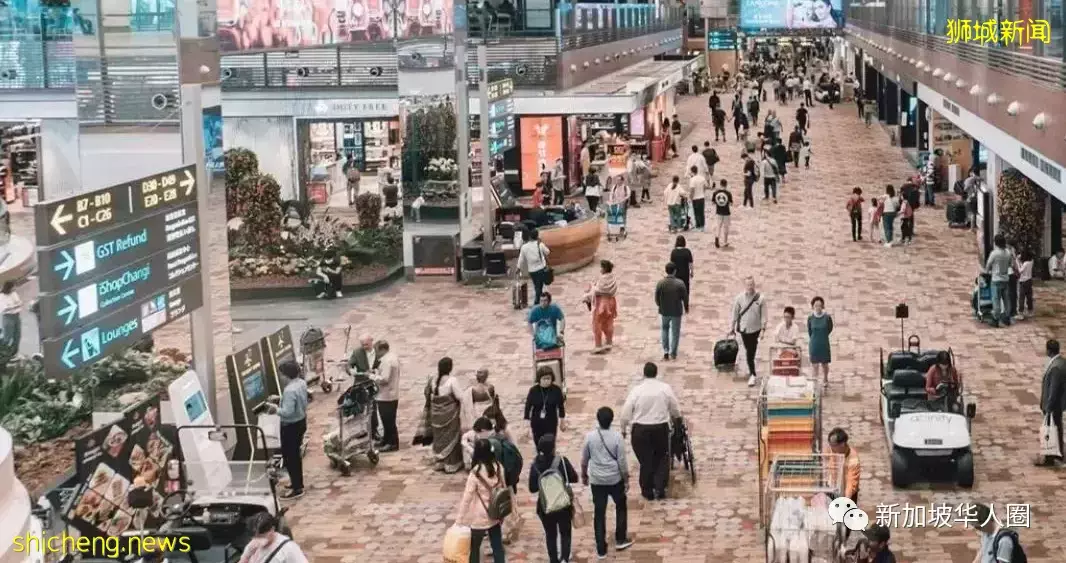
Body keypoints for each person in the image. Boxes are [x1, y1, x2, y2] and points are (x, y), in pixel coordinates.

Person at [619, 362, 681, 500]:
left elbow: (625, 412)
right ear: (656, 373)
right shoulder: (664, 388)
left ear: (644, 373)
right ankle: (660, 487)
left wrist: (623, 428)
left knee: (646, 460)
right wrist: (677, 418)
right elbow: (675, 408)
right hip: (660, 428)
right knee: (661, 457)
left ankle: (647, 490)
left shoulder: (637, 390)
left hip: (640, 430)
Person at [581, 407, 633, 559]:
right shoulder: (617, 437)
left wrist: (584, 475)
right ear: (611, 420)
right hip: (614, 478)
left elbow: (585, 459)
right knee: (621, 506)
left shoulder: (590, 437)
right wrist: (626, 478)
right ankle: (620, 538)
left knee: (599, 512)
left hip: (597, 480)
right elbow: (622, 461)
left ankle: (601, 548)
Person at [528, 434, 579, 563]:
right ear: (553, 448)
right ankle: (565, 558)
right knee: (565, 532)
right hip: (563, 504)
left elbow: (532, 488)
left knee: (550, 535)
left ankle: (553, 560)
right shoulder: (561, 461)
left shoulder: (535, 465)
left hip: (546, 505)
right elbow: (574, 478)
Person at [455, 439, 507, 563]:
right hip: (495, 513)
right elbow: (504, 488)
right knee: (497, 546)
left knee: (474, 548)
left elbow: (467, 498)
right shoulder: (499, 467)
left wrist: (459, 520)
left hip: (479, 516)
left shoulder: (476, 472)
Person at [266, 361, 308, 499]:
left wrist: (275, 409)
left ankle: (297, 488)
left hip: (291, 426)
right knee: (295, 455)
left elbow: (288, 412)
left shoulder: (289, 390)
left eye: (281, 374)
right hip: (301, 422)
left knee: (291, 457)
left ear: (286, 375)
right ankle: (297, 482)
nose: (280, 376)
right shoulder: (301, 383)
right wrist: (281, 399)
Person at [427, 357, 465, 473]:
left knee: (439, 437)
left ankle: (440, 461)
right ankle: (451, 463)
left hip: (436, 415)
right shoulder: (452, 381)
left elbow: (428, 394)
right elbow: (460, 397)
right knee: (451, 436)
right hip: (450, 414)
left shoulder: (433, 380)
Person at [729, 276, 768, 387]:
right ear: (745, 286)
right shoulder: (739, 298)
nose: (750, 287)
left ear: (754, 285)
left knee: (751, 351)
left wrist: (763, 330)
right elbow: (734, 314)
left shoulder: (761, 299)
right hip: (744, 329)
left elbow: (764, 316)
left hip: (756, 329)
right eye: (748, 285)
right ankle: (751, 369)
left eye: (751, 284)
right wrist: (732, 327)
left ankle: (752, 374)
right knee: (749, 350)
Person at [1037, 339, 1065, 466]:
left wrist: (1048, 407)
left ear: (1048, 350)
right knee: (1057, 428)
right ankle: (1058, 454)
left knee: (1050, 430)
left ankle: (1050, 457)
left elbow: (1053, 390)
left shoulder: (1055, 368)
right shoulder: (1061, 362)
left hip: (1053, 406)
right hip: (1057, 405)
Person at [238, 512, 308, 563]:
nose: (257, 540)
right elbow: (243, 560)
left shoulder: (289, 549)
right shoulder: (253, 544)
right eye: (254, 536)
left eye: (261, 536)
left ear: (272, 529)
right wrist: (246, 557)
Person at [369, 340, 400, 452]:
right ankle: (386, 439)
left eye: (376, 350)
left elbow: (385, 379)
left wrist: (372, 376)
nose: (375, 353)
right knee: (387, 420)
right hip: (390, 394)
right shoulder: (391, 357)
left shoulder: (387, 361)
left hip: (386, 395)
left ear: (382, 349)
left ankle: (392, 443)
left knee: (388, 421)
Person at [655, 263, 689, 361]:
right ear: (675, 271)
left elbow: (656, 297)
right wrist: (686, 308)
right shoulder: (680, 283)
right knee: (675, 332)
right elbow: (685, 298)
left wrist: (659, 305)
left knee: (665, 329)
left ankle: (665, 350)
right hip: (676, 311)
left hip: (664, 310)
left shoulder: (660, 283)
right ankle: (673, 353)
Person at [525, 366, 566, 446]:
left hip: (551, 422)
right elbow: (528, 407)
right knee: (538, 444)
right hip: (537, 422)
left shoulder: (556, 390)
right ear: (539, 379)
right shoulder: (533, 391)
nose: (546, 381)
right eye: (544, 379)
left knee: (550, 445)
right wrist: (526, 425)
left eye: (548, 378)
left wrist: (562, 422)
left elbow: (561, 407)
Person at [586, 260, 618, 354]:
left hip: (602, 304)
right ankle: (609, 342)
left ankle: (598, 345)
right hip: (611, 302)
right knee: (609, 322)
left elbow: (597, 290)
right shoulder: (613, 279)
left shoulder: (602, 279)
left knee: (597, 324)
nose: (600, 269)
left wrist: (590, 290)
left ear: (604, 269)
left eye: (601, 267)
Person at [985, 234, 1013, 327]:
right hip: (1005, 279)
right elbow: (1010, 264)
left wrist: (987, 272)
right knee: (1006, 300)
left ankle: (996, 319)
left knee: (996, 300)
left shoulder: (994, 253)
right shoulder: (1008, 252)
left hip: (996, 279)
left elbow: (988, 264)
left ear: (996, 243)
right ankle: (1007, 317)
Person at [518, 228, 552, 306]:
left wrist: (518, 268)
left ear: (530, 237)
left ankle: (539, 301)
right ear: (537, 236)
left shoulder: (524, 247)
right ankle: (537, 302)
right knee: (539, 287)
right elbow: (548, 252)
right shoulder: (540, 244)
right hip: (541, 269)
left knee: (537, 286)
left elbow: (521, 259)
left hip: (532, 271)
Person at [827, 428, 860, 504]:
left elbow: (850, 483)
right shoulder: (833, 449)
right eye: (830, 444)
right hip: (833, 488)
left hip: (847, 494)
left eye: (833, 445)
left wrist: (845, 501)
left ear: (842, 444)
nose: (831, 447)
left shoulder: (853, 460)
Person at [807, 297, 834, 389]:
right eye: (816, 305)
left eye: (819, 305)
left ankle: (825, 379)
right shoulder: (810, 318)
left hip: (824, 343)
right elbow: (810, 331)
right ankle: (815, 382)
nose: (818, 307)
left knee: (824, 364)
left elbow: (830, 328)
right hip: (814, 344)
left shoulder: (827, 318)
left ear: (822, 306)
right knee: (814, 365)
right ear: (813, 307)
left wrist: (823, 335)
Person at [711, 179, 733, 248]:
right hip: (726, 212)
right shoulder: (728, 193)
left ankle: (717, 237)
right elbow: (731, 203)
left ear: (720, 184)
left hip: (718, 212)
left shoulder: (716, 192)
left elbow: (713, 202)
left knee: (718, 226)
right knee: (726, 227)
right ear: (726, 185)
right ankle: (725, 241)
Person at [0, 281, 21, 352]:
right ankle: (4, 352)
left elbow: (19, 302)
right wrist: (15, 306)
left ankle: (15, 352)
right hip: (8, 317)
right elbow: (5, 308)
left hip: (16, 316)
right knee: (8, 337)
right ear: (9, 287)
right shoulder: (2, 296)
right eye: (13, 287)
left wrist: (13, 306)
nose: (15, 288)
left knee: (17, 335)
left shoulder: (14, 293)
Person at [688, 166, 708, 232]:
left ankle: (698, 225)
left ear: (692, 171)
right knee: (701, 212)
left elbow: (692, 190)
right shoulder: (702, 178)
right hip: (701, 197)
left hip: (695, 198)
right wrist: (703, 191)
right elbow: (706, 186)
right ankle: (702, 225)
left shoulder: (692, 179)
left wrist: (690, 198)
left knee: (696, 212)